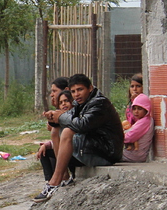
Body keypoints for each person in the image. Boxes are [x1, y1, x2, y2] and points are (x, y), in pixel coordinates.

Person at [35, 73, 124, 202]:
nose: (77, 94)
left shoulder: (99, 103)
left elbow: (82, 125)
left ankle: (55, 182)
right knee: (54, 134)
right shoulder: (79, 103)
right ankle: (64, 177)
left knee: (67, 132)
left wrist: (60, 117)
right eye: (73, 91)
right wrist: (53, 118)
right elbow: (67, 117)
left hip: (106, 152)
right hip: (91, 147)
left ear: (90, 88)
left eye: (80, 89)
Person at [35, 89, 75, 184]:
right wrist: (46, 145)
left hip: (74, 151)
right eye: (61, 102)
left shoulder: (74, 117)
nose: (64, 104)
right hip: (64, 150)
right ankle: (49, 181)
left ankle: (64, 176)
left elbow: (63, 139)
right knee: (43, 151)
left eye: (66, 101)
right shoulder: (60, 118)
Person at [122, 94, 154, 163]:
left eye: (139, 109)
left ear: (146, 109)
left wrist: (116, 137)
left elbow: (129, 137)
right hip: (134, 154)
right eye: (134, 109)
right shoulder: (142, 120)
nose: (136, 111)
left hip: (133, 155)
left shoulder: (144, 122)